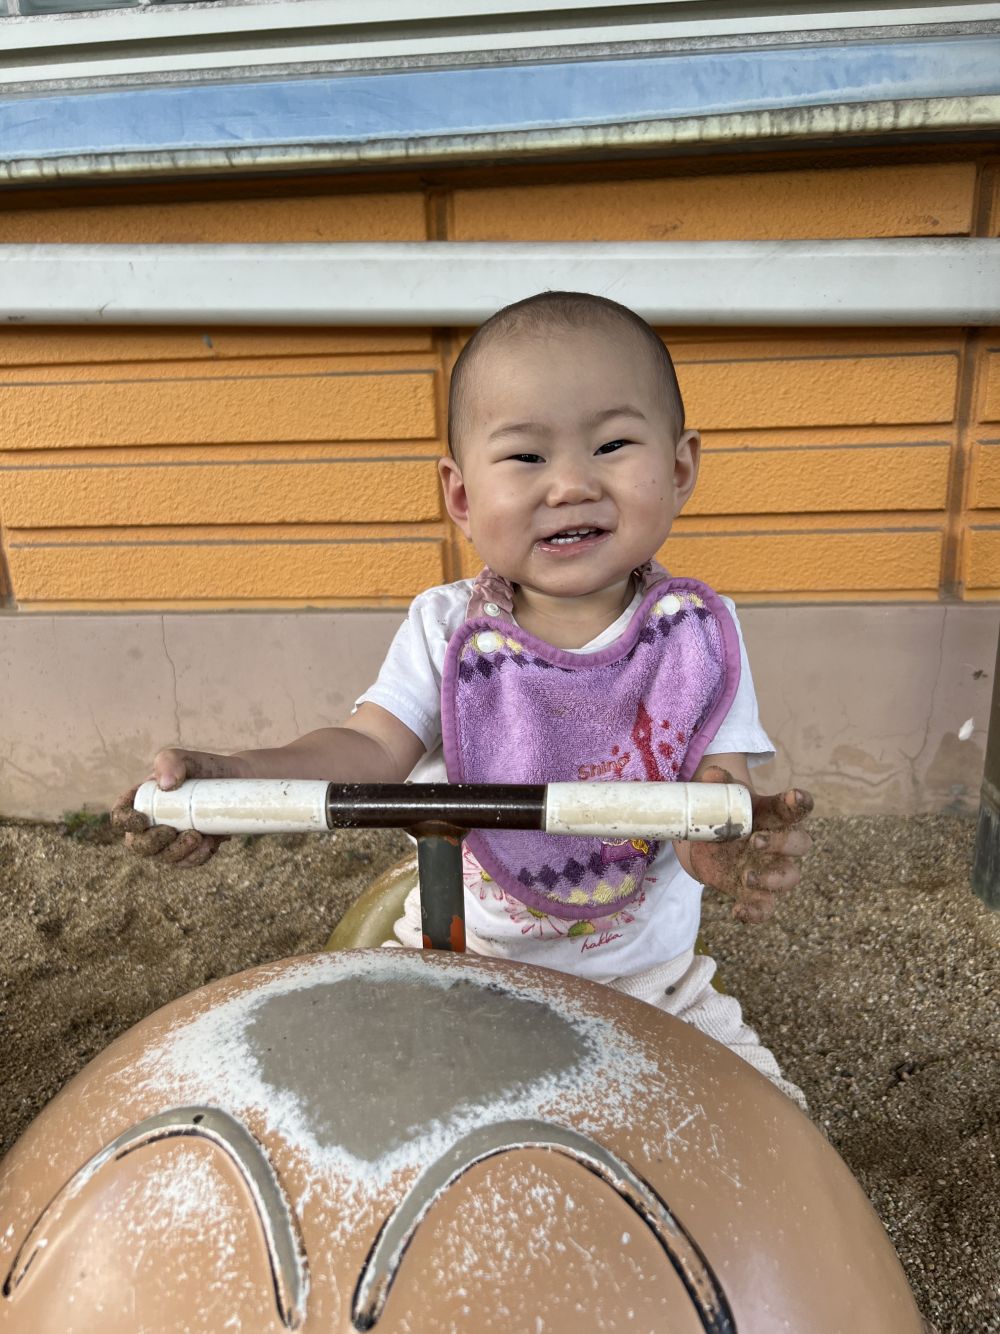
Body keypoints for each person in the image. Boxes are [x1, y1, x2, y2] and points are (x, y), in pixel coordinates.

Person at [114, 291, 813, 1107]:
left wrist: (718, 844)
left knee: (773, 1125)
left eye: (613, 444)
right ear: (460, 495)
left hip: (648, 982)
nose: (571, 485)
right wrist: (234, 774)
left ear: (682, 466)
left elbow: (713, 792)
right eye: (525, 458)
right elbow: (369, 749)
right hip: (454, 957)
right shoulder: (448, 631)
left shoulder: (696, 636)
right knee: (336, 1110)